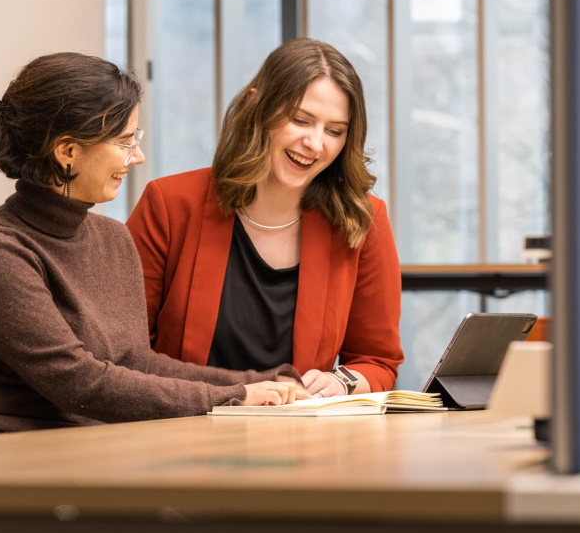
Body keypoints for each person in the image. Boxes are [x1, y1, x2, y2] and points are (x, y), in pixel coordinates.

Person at [0, 52, 303, 435]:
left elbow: (138, 363)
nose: (137, 156)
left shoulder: (113, 238)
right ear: (68, 152)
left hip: (75, 445)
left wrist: (268, 381)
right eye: (125, 141)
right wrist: (235, 397)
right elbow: (79, 383)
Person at [127, 38, 403, 398]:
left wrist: (343, 380)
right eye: (301, 120)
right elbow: (126, 352)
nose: (316, 144)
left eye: (335, 131)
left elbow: (377, 360)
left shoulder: (363, 218)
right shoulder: (169, 204)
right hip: (183, 427)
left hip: (299, 440)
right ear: (258, 106)